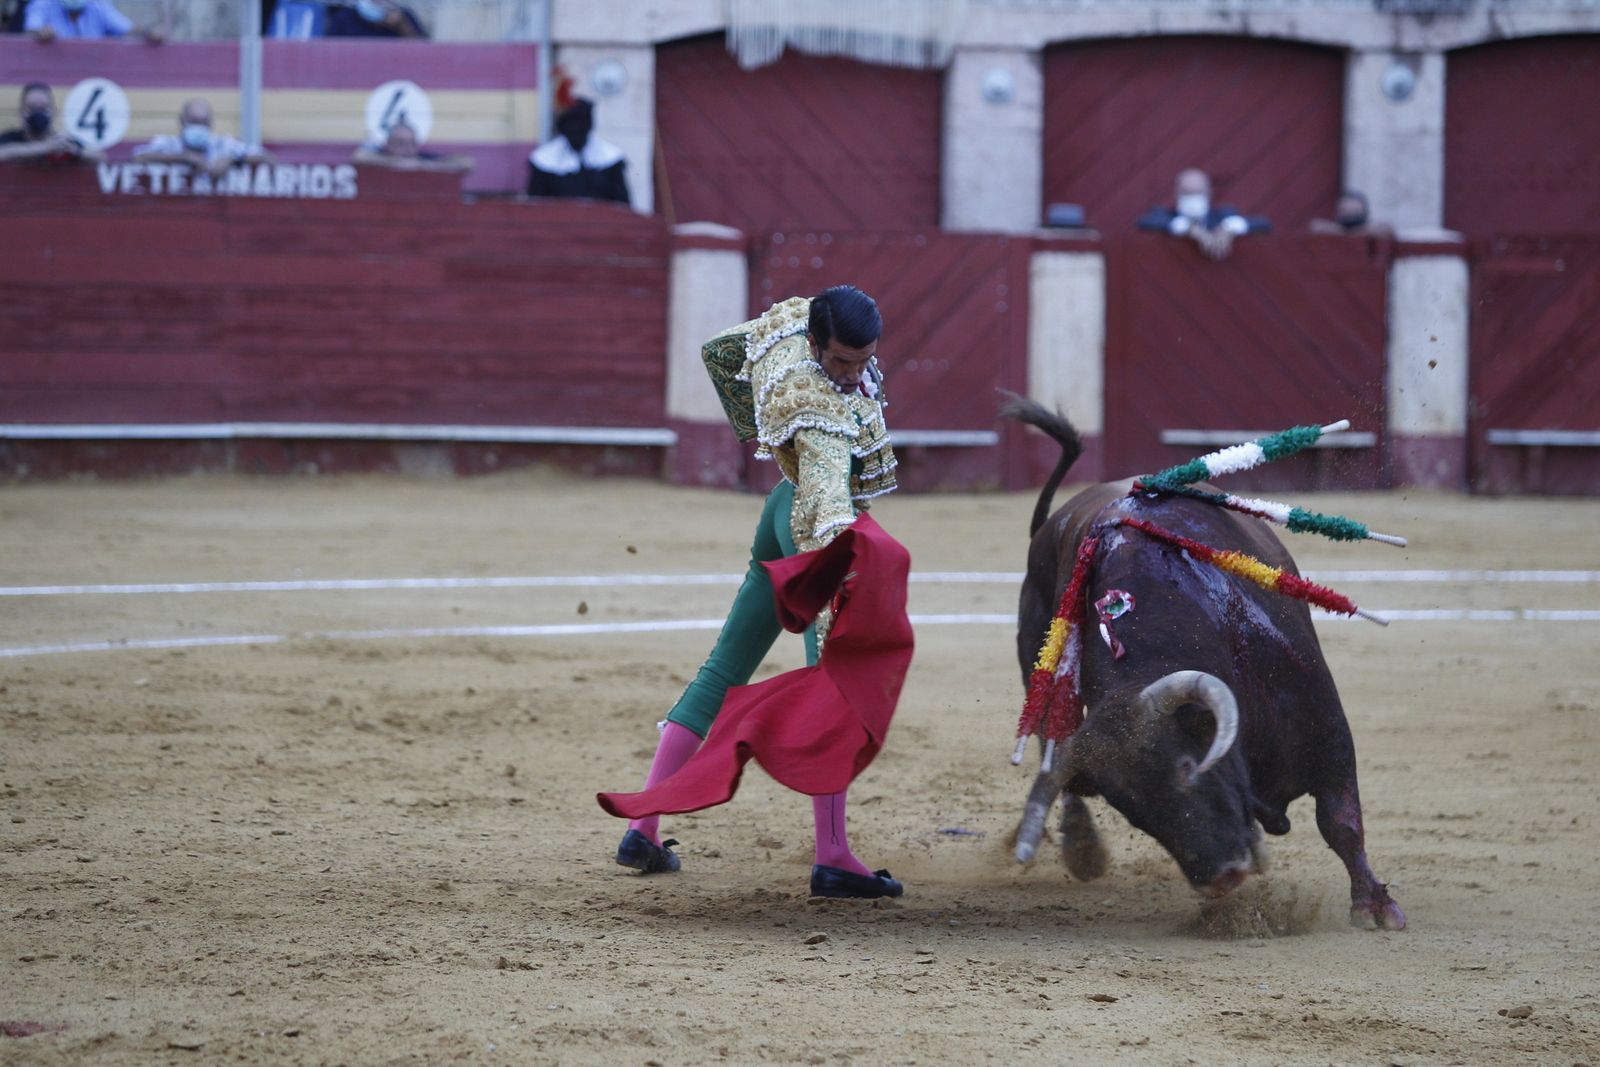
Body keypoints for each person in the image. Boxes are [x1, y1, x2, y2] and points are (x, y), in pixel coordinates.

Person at [607, 286, 905, 900]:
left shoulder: (793, 334)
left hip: (777, 509)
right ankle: (833, 857)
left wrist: (762, 429)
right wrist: (843, 557)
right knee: (836, 687)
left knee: (724, 669)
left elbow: (722, 352)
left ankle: (643, 828)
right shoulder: (818, 407)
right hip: (815, 526)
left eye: (863, 360)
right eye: (841, 360)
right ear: (816, 343)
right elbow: (826, 491)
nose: (853, 375)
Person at [526, 74, 629, 205]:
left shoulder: (610, 158)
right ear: (562, 127)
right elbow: (535, 205)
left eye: (581, 124)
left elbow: (622, 205)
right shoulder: (544, 159)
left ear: (589, 125)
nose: (575, 130)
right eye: (570, 124)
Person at [1137, 167, 1270, 261]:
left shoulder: (1223, 215)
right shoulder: (1164, 215)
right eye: (1187, 192)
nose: (1193, 197)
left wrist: (1227, 229)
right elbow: (1144, 222)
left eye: (1198, 192)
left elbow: (1263, 223)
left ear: (1208, 193)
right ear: (1177, 194)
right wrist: (1191, 229)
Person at [133, 98, 271, 181]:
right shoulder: (168, 144)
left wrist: (232, 160)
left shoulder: (223, 145)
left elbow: (268, 158)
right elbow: (138, 158)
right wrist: (183, 158)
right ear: (182, 122)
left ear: (210, 124)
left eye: (203, 123)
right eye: (194, 122)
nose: (199, 127)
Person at [0, 83, 101, 165]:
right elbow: (4, 152)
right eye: (31, 108)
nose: (38, 113)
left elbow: (101, 158)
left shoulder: (62, 141)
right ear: (21, 112)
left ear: (53, 112)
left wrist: (76, 152)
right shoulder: (10, 139)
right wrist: (45, 147)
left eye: (43, 108)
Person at [352, 119, 473, 173]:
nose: (408, 149)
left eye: (412, 143)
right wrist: (396, 163)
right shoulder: (381, 156)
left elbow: (466, 162)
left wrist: (426, 166)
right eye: (401, 143)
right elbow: (359, 157)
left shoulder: (422, 158)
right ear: (388, 144)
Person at [23, 0, 161, 41]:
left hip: (94, 71)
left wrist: (150, 33)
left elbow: (128, 29)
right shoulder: (42, 4)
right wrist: (40, 34)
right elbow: (30, 32)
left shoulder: (98, 5)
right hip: (52, 72)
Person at [1309, 190, 1392, 237]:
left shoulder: (1375, 230)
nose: (1350, 216)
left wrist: (1349, 233)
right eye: (1345, 211)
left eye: (1355, 211)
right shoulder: (1330, 230)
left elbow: (1385, 229)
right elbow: (1315, 226)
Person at [323, 0, 425, 38]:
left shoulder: (404, 16)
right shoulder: (344, 17)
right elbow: (330, 51)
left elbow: (423, 53)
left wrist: (403, 27)